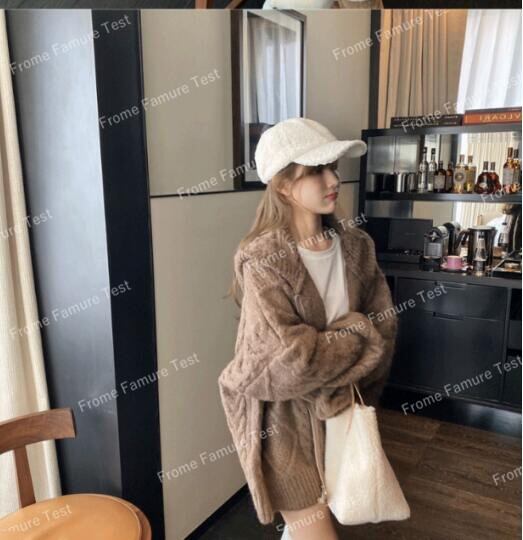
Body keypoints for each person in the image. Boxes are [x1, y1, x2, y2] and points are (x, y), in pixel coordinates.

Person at [218, 117, 398, 540]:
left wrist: (349, 352)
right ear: (283, 185)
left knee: (320, 521)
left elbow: (385, 329)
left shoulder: (357, 246)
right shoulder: (263, 259)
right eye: (316, 170)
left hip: (345, 410)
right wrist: (357, 334)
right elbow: (292, 361)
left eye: (332, 167)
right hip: (286, 427)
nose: (333, 180)